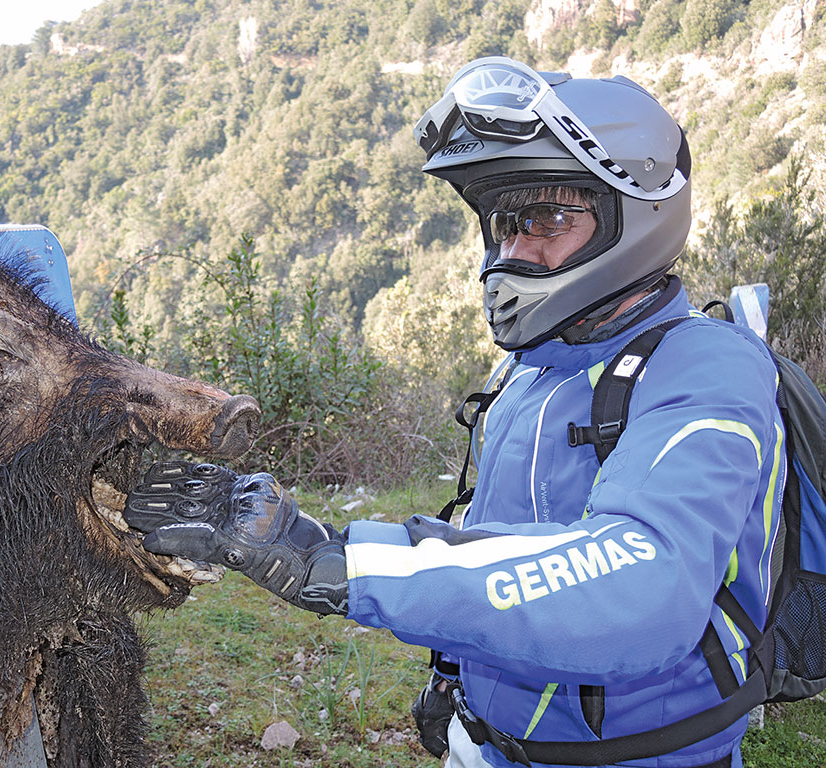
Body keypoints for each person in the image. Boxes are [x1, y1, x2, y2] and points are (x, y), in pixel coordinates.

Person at [123, 57, 785, 768]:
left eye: (544, 217)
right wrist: (451, 678)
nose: (511, 251)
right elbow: (492, 542)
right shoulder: (528, 372)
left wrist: (338, 560)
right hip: (489, 741)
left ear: (636, 210)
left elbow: (645, 583)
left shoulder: (709, 367)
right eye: (502, 222)